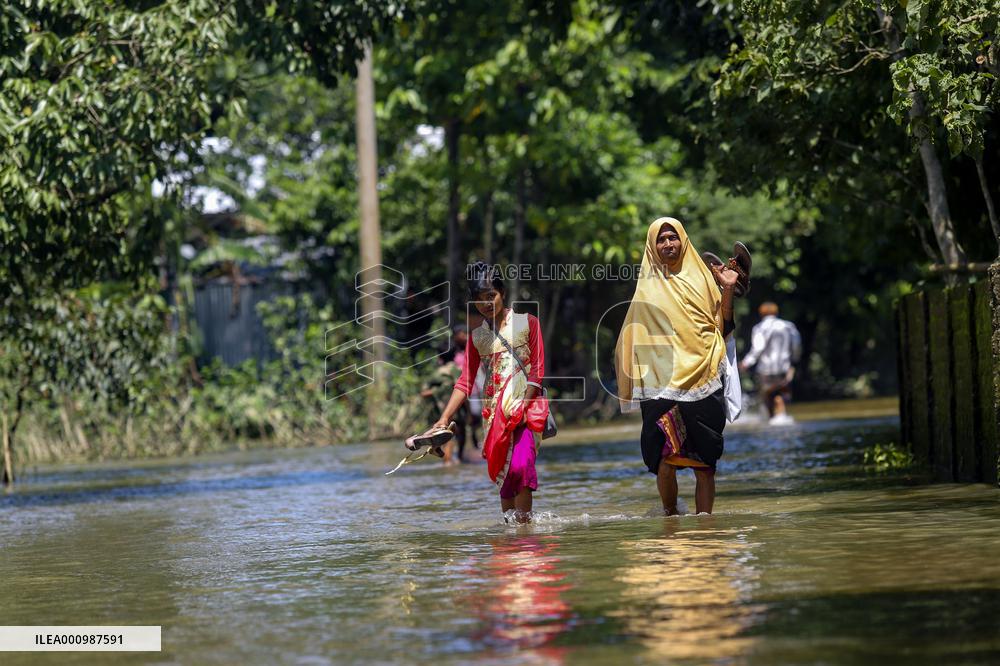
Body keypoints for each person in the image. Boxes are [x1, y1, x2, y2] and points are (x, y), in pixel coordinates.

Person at [614, 217, 742, 515]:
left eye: (673, 237)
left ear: (683, 239)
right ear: (652, 245)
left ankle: (705, 529)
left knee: (705, 464)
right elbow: (634, 335)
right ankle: (669, 521)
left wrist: (727, 290)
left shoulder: (704, 279)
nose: (668, 243)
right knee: (664, 460)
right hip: (661, 381)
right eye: (661, 239)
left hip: (704, 375)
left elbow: (722, 326)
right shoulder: (646, 287)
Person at [432, 262, 548, 523]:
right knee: (503, 476)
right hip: (494, 414)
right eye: (479, 300)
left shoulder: (527, 323)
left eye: (491, 296)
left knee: (520, 467)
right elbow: (465, 382)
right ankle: (512, 540)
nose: (486, 303)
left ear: (502, 293)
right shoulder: (477, 338)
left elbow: (537, 372)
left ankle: (525, 534)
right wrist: (443, 418)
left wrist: (522, 405)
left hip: (526, 411)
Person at [739, 302, 801, 425]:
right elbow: (796, 345)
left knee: (767, 395)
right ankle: (781, 418)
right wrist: (794, 359)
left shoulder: (759, 328)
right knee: (781, 393)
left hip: (766, 369)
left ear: (761, 313)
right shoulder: (788, 326)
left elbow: (758, 348)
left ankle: (771, 422)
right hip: (783, 367)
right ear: (776, 312)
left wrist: (746, 363)